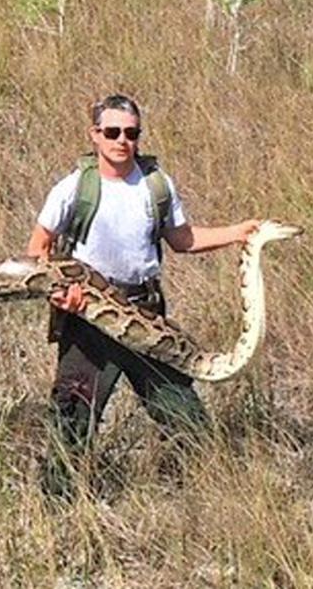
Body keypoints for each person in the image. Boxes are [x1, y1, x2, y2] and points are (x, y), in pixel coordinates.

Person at [26, 94, 258, 492]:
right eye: (112, 132)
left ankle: (206, 493)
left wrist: (238, 233)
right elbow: (38, 249)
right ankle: (59, 511)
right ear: (94, 135)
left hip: (146, 316)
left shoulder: (156, 185)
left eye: (131, 133)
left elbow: (182, 239)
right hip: (88, 321)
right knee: (72, 422)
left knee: (185, 416)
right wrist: (62, 294)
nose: (122, 141)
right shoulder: (74, 188)